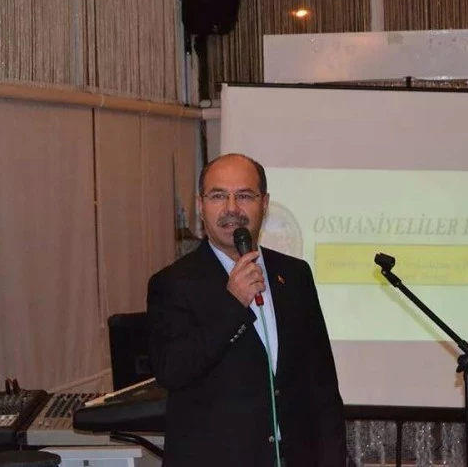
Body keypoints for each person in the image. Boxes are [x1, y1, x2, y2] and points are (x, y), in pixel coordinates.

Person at [147, 153, 348, 467]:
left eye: (244, 196)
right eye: (218, 196)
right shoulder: (173, 283)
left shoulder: (294, 275)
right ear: (200, 206)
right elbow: (172, 370)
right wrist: (232, 304)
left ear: (264, 204)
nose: (232, 208)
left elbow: (322, 385)